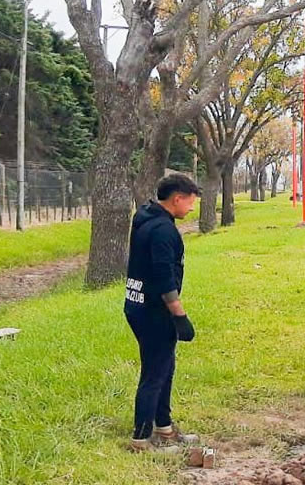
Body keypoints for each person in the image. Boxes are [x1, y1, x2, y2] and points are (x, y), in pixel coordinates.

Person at [124, 173, 202, 452]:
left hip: (136, 304)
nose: (192, 208)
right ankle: (141, 438)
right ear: (176, 198)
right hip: (153, 311)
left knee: (164, 367)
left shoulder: (145, 217)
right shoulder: (162, 230)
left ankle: (164, 428)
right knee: (155, 373)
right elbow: (164, 278)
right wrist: (179, 316)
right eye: (190, 202)